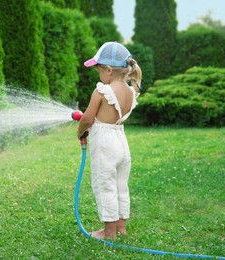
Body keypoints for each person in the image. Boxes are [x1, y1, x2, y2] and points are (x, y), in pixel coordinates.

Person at [77, 42, 142, 239]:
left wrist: (80, 131)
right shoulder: (131, 91)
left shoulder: (102, 91)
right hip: (121, 141)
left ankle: (109, 232)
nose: (98, 75)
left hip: (105, 144)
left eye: (98, 70)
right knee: (120, 185)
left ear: (108, 70)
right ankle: (121, 227)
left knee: (105, 185)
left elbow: (87, 118)